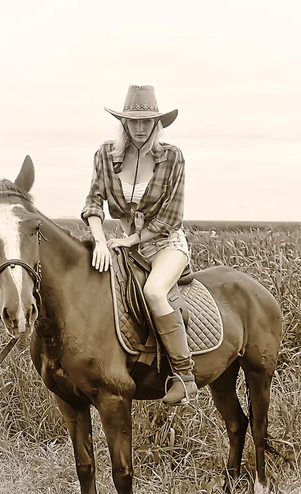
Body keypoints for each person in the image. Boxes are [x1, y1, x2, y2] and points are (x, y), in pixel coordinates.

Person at [81, 84, 197, 406]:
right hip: (120, 243)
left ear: (157, 123)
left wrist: (130, 239)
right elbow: (93, 203)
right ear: (124, 123)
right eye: (134, 121)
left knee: (154, 292)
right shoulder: (106, 155)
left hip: (164, 243)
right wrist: (101, 242)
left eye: (147, 121)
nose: (141, 128)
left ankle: (184, 375)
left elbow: (170, 218)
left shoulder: (172, 157)